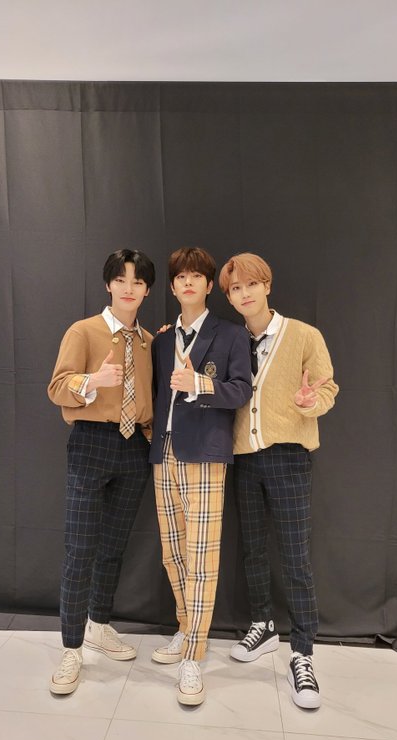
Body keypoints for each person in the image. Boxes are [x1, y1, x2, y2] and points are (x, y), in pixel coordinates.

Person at [219, 252, 338, 709]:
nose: (244, 293)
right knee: (252, 548)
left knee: (294, 555)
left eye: (251, 284)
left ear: (267, 285)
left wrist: (310, 401)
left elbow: (327, 388)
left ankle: (303, 653)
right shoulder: (230, 339)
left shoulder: (304, 335)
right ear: (229, 298)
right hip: (244, 457)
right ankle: (263, 625)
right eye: (235, 288)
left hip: (289, 455)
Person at [47, 248, 155, 695]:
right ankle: (71, 648)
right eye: (121, 280)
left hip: (134, 449)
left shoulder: (148, 340)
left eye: (137, 282)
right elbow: (57, 387)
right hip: (91, 441)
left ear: (147, 290)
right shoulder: (84, 330)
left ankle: (99, 624)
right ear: (109, 284)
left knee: (113, 547)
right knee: (80, 549)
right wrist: (93, 381)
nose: (129, 288)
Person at [150, 246, 252, 706]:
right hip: (164, 452)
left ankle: (193, 653)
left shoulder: (230, 334)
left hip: (207, 454)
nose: (188, 282)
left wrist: (200, 385)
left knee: (203, 556)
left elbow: (241, 390)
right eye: (180, 277)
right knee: (173, 551)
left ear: (210, 285)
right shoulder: (161, 341)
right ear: (173, 287)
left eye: (196, 276)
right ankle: (186, 627)